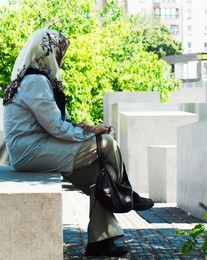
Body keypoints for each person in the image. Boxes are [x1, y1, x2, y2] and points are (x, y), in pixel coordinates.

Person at [3, 28, 154, 257]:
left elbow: (55, 122)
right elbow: (55, 127)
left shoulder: (34, 78)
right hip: (31, 152)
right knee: (106, 143)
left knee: (100, 179)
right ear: (46, 53)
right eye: (58, 51)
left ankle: (101, 241)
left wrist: (81, 127)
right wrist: (92, 132)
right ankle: (128, 193)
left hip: (38, 148)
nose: (60, 57)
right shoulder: (35, 81)